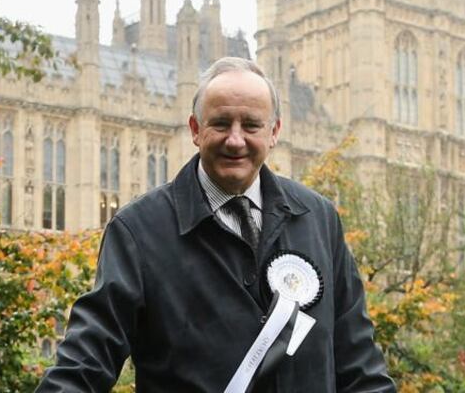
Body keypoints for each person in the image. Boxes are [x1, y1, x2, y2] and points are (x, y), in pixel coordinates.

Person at [36, 57, 395, 392]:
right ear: (195, 129)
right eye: (221, 124)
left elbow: (359, 365)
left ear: (274, 132)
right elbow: (87, 358)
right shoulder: (139, 230)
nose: (235, 140)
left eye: (251, 125)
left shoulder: (318, 219)